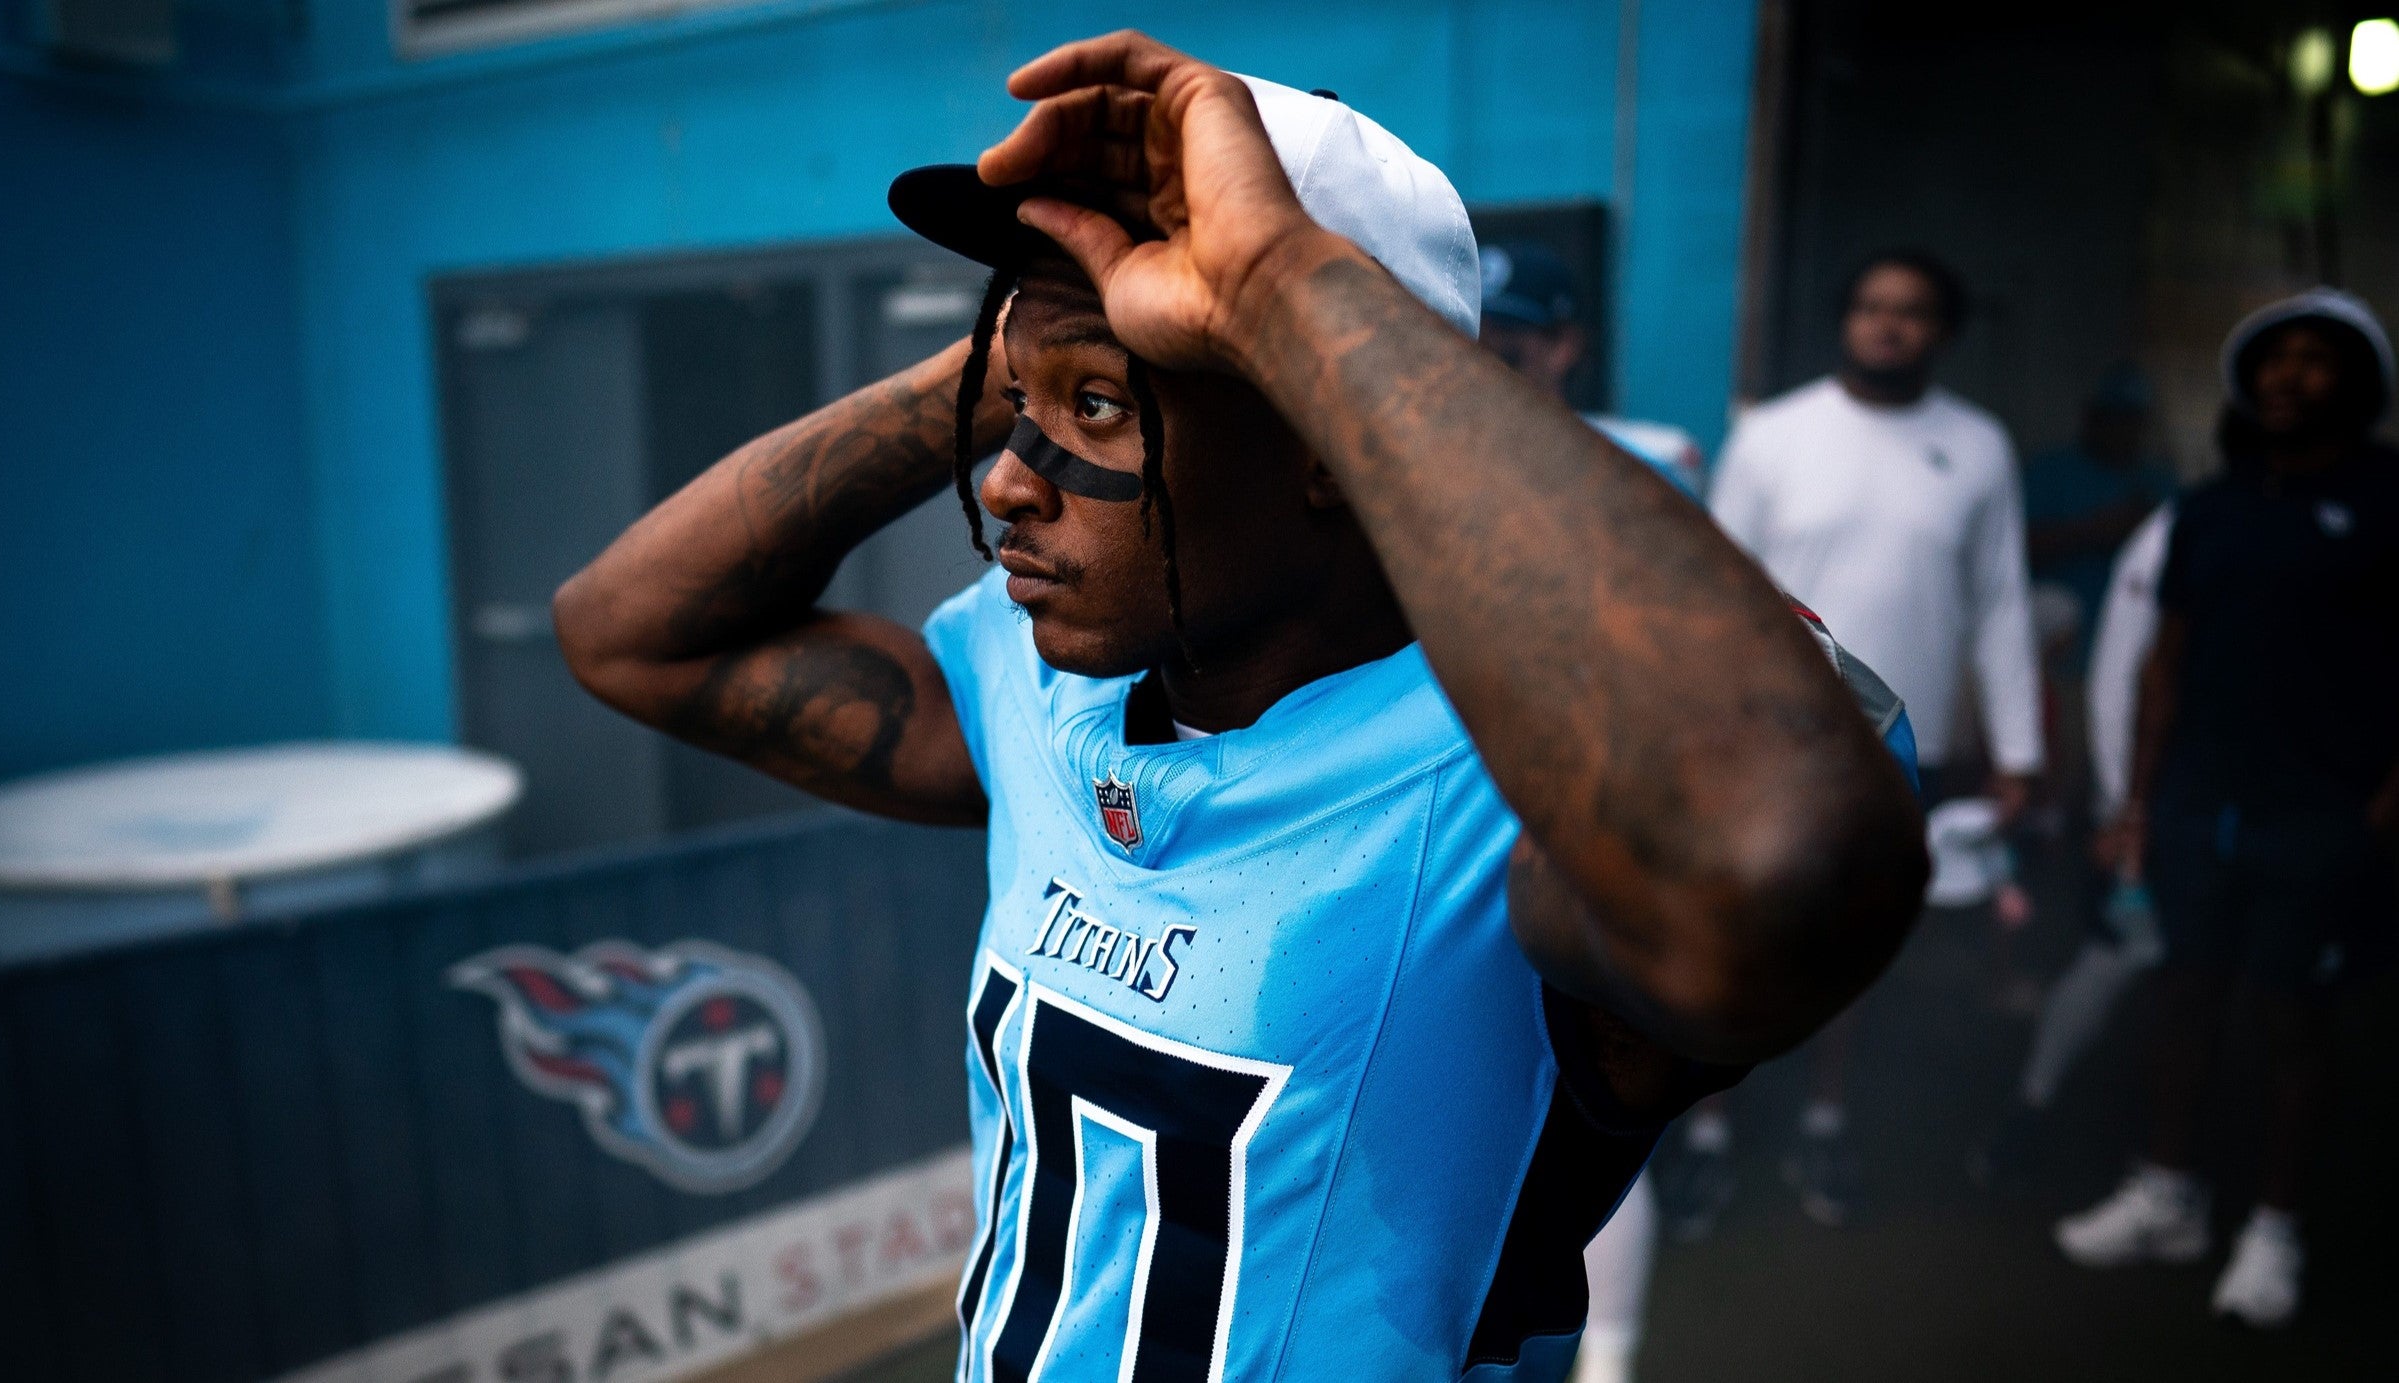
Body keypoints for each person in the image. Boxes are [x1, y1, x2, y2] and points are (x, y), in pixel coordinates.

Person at [553, 35, 1927, 1381]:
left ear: (1329, 442)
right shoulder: (1045, 678)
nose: (1006, 485)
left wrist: (1274, 278)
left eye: (1098, 403)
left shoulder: (1515, 785)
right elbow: (625, 633)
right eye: (1019, 408)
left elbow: (1773, 863)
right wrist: (1025, 341)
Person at [2055, 288, 2398, 1328]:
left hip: (2324, 812)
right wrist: (2136, 804)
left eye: (2314, 359)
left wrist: (2381, 815)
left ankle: (2273, 1231)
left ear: (2358, 384)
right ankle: (2169, 1196)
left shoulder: (2388, 500)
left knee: (2294, 1020)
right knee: (2184, 995)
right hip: (2200, 804)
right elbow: (2166, 667)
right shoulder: (2208, 508)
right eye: (2271, 359)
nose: (2287, 377)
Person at [1684, 249, 2044, 1231]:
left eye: (1911, 311)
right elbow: (1712, 589)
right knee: (1741, 940)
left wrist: (2018, 752)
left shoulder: (1977, 447)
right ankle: (1708, 1139)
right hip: (1767, 745)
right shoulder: (1772, 437)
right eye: (1871, 305)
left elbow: (2000, 602)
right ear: (1845, 319)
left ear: (1942, 330)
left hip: (1896, 756)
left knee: (1853, 947)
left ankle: (1826, 1124)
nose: (1888, 324)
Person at [1475, 237, 1704, 1383]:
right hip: (1445, 835)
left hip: (1588, 829)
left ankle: (1604, 1361)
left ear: (1563, 341)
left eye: (1513, 333)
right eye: (1471, 327)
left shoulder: (1648, 460)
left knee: (1590, 1114)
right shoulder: (1395, 463)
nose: (1489, 352)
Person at [1970, 504, 2173, 1187]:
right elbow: (2118, 685)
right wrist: (2117, 809)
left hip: (2181, 819)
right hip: (2139, 823)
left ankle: (2156, 1151)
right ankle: (2032, 1105)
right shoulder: (2175, 535)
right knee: (2113, 954)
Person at [2025, 364, 2175, 818]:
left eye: (2133, 419)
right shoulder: (2052, 471)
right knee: (2057, 789)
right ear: (2091, 417)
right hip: (2061, 662)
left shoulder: (2158, 481)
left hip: (2135, 663)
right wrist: (2093, 531)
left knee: (2117, 792)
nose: (2122, 430)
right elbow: (2013, 552)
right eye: (2113, 417)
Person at [1478, 240, 1704, 496]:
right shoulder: (1441, 457)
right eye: (1469, 338)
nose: (1479, 365)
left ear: (1562, 347)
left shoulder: (1634, 475)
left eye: (1505, 342)